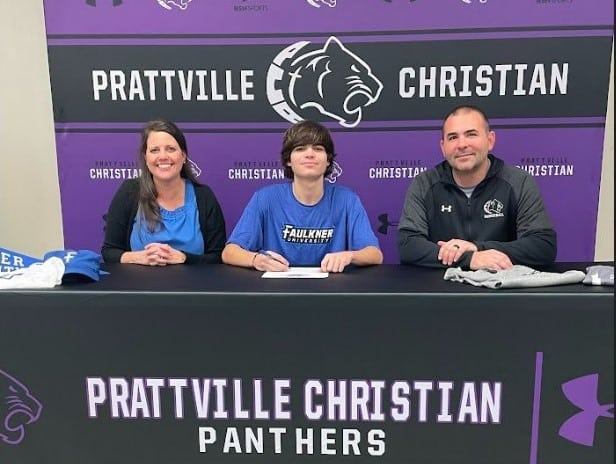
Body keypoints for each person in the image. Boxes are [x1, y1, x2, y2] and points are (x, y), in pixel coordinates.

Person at [398, 105, 557, 271]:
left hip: (501, 285)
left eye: (471, 134)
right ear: (443, 147)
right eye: (453, 137)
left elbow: (543, 245)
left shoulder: (518, 182)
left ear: (490, 140)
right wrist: (469, 259)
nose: (461, 144)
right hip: (440, 285)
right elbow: (408, 245)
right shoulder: (424, 184)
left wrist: (478, 248)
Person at [222, 120, 383, 273]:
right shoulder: (265, 198)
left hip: (332, 289)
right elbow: (229, 252)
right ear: (288, 160)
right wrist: (256, 260)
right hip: (276, 288)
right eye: (300, 149)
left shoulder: (347, 200)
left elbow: (375, 254)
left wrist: (350, 256)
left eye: (318, 148)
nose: (310, 154)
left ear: (328, 160)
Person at [102, 120, 226, 265]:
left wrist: (184, 258)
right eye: (155, 150)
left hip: (193, 280)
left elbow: (218, 257)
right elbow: (109, 251)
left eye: (170, 149)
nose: (163, 156)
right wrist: (139, 257)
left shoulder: (204, 196)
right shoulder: (130, 191)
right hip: (139, 280)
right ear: (145, 158)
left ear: (183, 155)